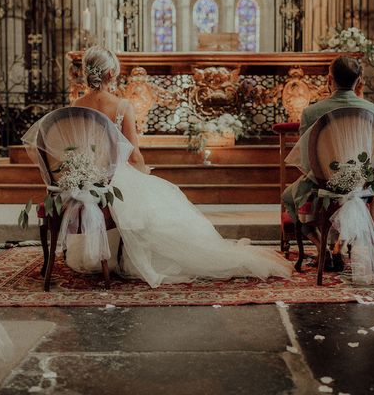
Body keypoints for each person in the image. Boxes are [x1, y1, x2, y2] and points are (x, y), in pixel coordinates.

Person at [67, 46, 292, 288]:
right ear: (111, 73)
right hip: (116, 180)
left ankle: (114, 254)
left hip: (87, 181)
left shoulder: (74, 106)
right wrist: (143, 173)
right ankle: (137, 256)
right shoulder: (122, 106)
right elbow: (134, 156)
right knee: (159, 197)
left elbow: (72, 151)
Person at [282, 56, 374, 264]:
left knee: (288, 197)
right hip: (361, 187)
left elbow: (306, 159)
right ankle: (339, 246)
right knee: (348, 196)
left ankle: (322, 249)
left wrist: (327, 177)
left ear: (330, 79)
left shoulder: (311, 112)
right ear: (359, 80)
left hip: (322, 185)